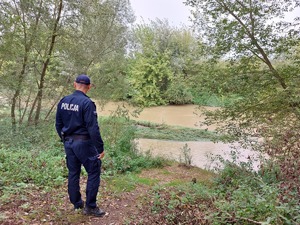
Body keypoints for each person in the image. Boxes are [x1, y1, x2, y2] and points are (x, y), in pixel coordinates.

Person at [55, 74, 105, 217]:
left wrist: (64, 139)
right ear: (89, 87)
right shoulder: (87, 103)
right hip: (84, 143)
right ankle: (90, 206)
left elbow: (58, 124)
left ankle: (77, 203)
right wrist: (100, 148)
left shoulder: (63, 101)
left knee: (73, 172)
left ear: (74, 84)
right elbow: (93, 128)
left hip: (69, 142)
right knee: (94, 171)